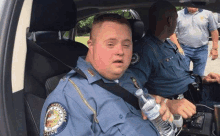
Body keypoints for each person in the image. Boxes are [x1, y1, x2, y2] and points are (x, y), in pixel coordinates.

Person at [40, 14, 173, 136]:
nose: (120, 51)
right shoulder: (70, 98)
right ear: (91, 46)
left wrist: (160, 109)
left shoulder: (128, 76)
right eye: (110, 44)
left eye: (126, 45)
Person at [131, 0, 220, 119]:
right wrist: (166, 103)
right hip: (186, 102)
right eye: (176, 19)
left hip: (197, 89)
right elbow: (132, 90)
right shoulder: (144, 50)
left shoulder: (169, 44)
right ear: (170, 20)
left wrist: (202, 79)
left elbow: (181, 74)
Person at [169, 7, 219, 76]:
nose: (193, 8)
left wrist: (215, 48)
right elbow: (172, 33)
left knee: (199, 75)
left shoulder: (208, 13)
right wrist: (178, 47)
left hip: (201, 49)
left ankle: (197, 86)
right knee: (182, 74)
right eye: (190, 6)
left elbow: (214, 31)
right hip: (184, 49)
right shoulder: (178, 15)